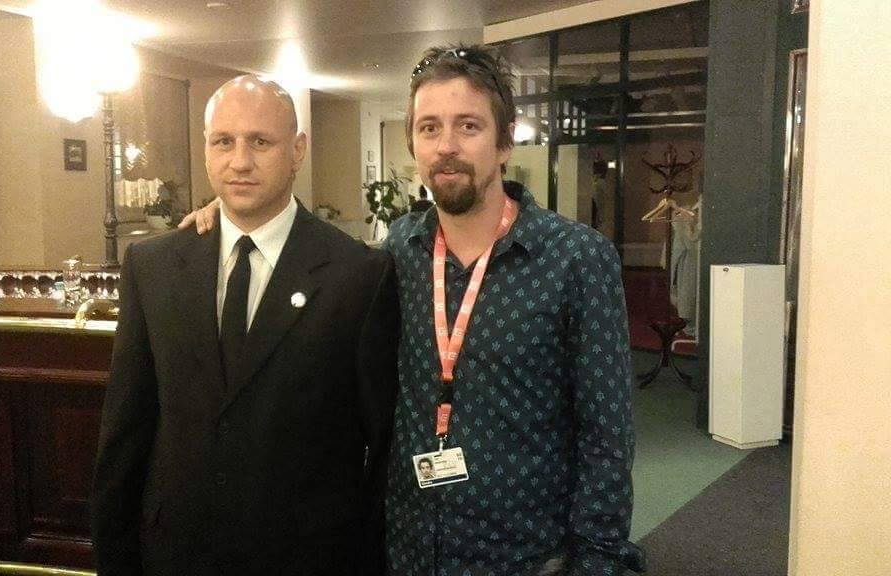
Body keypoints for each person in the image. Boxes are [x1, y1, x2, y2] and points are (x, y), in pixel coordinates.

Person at [180, 45, 645, 576]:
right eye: (429, 128)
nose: (446, 146)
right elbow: (310, 265)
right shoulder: (396, 252)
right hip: (406, 549)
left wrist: (596, 561)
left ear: (505, 141)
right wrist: (234, 212)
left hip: (525, 555)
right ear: (413, 144)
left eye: (468, 126)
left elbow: (607, 435)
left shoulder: (576, 259)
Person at [91, 75, 399, 576]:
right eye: (223, 141)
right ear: (205, 149)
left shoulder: (358, 274)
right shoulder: (153, 267)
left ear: (296, 150)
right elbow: (126, 429)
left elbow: (381, 444)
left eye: (260, 142)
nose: (239, 161)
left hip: (307, 558)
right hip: (175, 553)